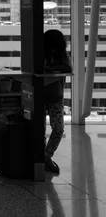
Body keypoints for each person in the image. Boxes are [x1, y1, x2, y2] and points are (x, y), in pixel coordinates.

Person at [43, 29, 72, 174]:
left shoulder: (62, 56)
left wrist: (52, 68)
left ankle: (46, 155)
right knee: (41, 129)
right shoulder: (40, 54)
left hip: (55, 97)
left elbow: (68, 68)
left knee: (58, 129)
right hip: (44, 96)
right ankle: (43, 156)